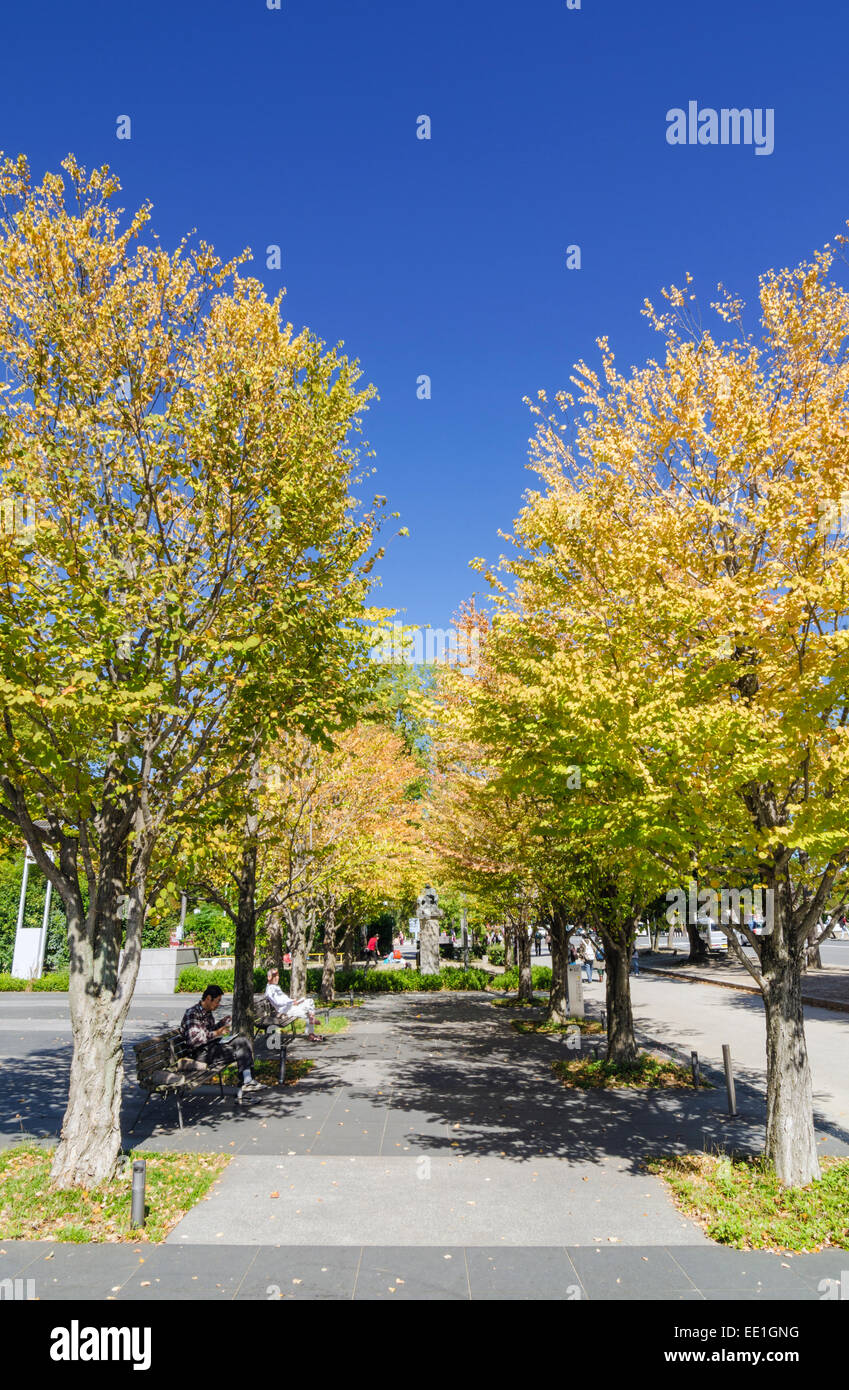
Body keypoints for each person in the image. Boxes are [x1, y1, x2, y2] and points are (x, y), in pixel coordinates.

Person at [180, 986, 261, 1097]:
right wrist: (217, 1033)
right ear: (209, 998)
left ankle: (248, 1080)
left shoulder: (207, 1013)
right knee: (239, 1051)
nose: (218, 1004)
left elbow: (209, 1031)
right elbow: (194, 1040)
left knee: (242, 1041)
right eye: (217, 1001)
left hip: (209, 1049)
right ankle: (246, 1083)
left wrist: (221, 1023)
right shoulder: (193, 1013)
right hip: (199, 1054)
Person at [265, 968, 322, 1043]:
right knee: (307, 1012)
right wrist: (292, 1002)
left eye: (277, 975)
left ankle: (311, 1019)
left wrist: (293, 1002)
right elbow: (278, 1003)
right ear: (269, 977)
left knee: (309, 1001)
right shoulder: (270, 990)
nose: (277, 977)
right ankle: (311, 1033)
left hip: (291, 1006)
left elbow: (284, 1000)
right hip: (286, 1011)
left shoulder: (275, 987)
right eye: (274, 976)